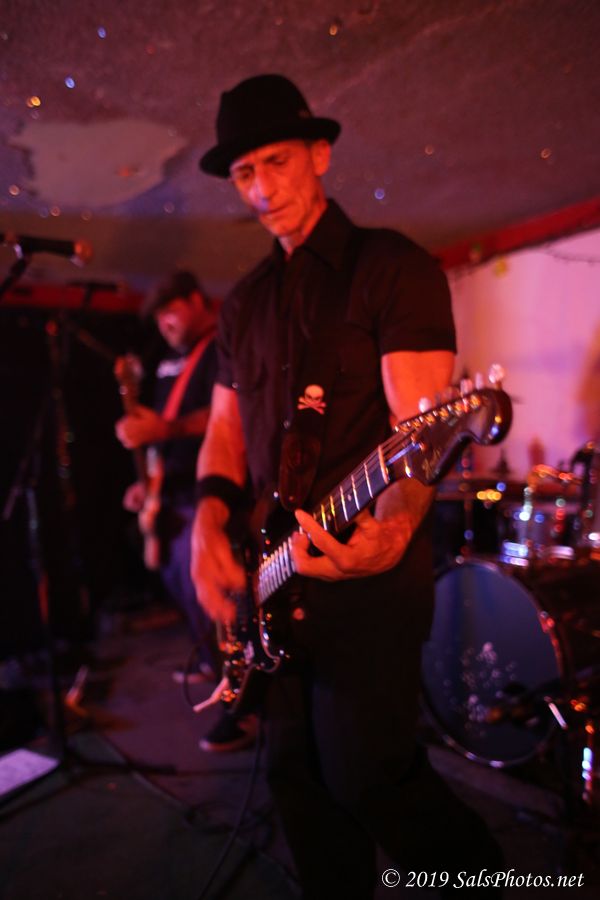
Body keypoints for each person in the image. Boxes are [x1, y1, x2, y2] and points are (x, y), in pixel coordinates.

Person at [191, 75, 504, 896]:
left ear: (320, 154)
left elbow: (420, 426)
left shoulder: (392, 267)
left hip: (366, 574)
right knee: (295, 779)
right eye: (245, 173)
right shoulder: (243, 303)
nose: (262, 189)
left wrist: (396, 526)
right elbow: (224, 428)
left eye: (277, 162)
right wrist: (206, 520)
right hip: (273, 575)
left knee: (372, 777)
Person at [115, 272, 255, 751]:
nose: (166, 325)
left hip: (208, 496)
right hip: (172, 493)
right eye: (159, 318)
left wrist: (166, 430)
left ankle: (242, 707)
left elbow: (226, 419)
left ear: (197, 301)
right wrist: (146, 484)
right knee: (189, 598)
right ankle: (215, 669)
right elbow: (163, 433)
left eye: (171, 312)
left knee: (216, 603)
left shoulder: (219, 349)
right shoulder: (168, 364)